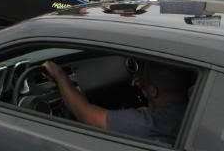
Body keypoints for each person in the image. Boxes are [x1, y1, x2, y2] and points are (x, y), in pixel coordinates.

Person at [43, 60, 190, 144]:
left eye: (144, 80)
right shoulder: (189, 112)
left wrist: (58, 74)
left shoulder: (149, 123)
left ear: (153, 91)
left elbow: (84, 113)